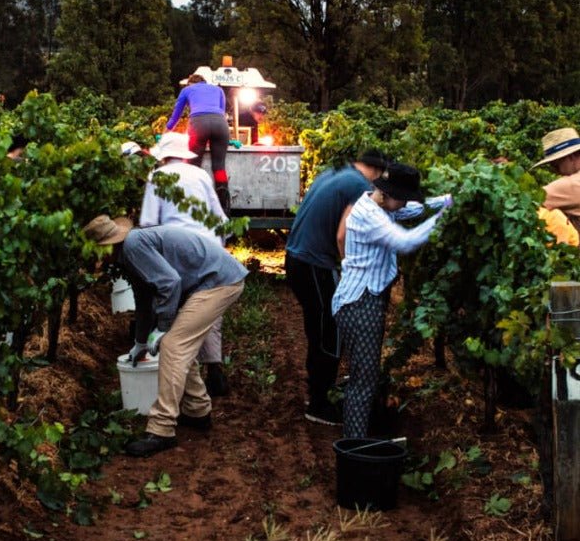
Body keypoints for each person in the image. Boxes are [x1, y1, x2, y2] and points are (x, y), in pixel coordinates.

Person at [83, 214, 247, 456]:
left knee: (173, 345)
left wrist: (163, 327)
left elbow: (169, 283)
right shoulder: (129, 251)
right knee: (180, 345)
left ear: (105, 248)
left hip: (218, 282)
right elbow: (144, 296)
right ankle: (197, 409)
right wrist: (140, 341)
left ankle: (162, 429)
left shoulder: (133, 246)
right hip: (211, 281)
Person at [332, 162, 450, 439]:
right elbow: (406, 242)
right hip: (359, 304)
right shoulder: (370, 216)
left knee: (364, 376)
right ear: (387, 194)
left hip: (363, 301)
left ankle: (357, 437)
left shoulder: (377, 203)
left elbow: (415, 208)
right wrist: (445, 216)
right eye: (404, 197)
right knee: (364, 380)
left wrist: (448, 200)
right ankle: (354, 447)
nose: (406, 203)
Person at [284, 150, 388, 425]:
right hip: (316, 265)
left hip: (296, 259)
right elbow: (344, 234)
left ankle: (319, 388)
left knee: (318, 327)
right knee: (331, 332)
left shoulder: (334, 173)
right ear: (378, 171)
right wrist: (351, 271)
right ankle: (319, 404)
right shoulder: (361, 188)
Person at [139, 130, 230, 395]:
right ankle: (215, 372)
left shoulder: (157, 177)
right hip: (212, 250)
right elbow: (219, 217)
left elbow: (148, 224)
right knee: (209, 311)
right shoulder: (201, 175)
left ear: (164, 156)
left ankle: (184, 381)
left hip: (180, 251)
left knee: (180, 313)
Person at [164, 66, 230, 209]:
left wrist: (166, 132)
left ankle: (193, 203)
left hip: (198, 124)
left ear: (190, 83)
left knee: (193, 165)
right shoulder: (218, 90)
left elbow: (176, 115)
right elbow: (222, 112)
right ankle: (223, 205)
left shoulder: (187, 90)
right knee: (219, 166)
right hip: (220, 125)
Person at [536, 128, 580, 236]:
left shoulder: (571, 184)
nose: (556, 171)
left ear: (571, 157)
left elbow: (529, 198)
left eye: (556, 165)